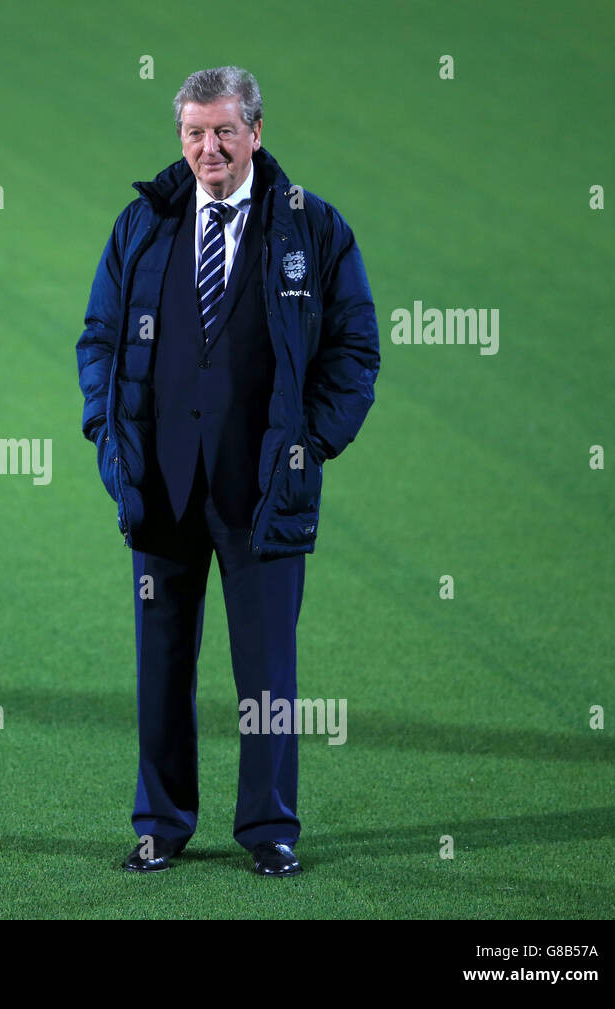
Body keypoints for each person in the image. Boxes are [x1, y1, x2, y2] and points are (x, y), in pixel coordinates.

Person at [75, 66, 380, 875]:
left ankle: (270, 827)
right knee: (160, 666)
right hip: (161, 486)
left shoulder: (313, 228)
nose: (208, 147)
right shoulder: (142, 225)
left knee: (267, 673)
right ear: (180, 136)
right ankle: (160, 823)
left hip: (262, 490)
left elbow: (355, 348)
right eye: (193, 132)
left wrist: (309, 444)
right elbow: (98, 340)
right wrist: (110, 440)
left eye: (223, 131)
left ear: (255, 132)